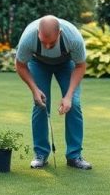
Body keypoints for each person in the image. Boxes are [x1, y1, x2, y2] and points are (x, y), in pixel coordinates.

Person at [14, 15, 92, 170]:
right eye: (44, 42)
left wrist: (68, 96)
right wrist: (34, 90)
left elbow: (80, 66)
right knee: (40, 104)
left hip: (67, 64)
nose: (48, 46)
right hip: (38, 64)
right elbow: (20, 65)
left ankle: (74, 156)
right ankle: (41, 155)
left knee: (74, 104)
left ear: (60, 33)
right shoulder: (28, 38)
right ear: (38, 33)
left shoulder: (73, 38)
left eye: (52, 42)